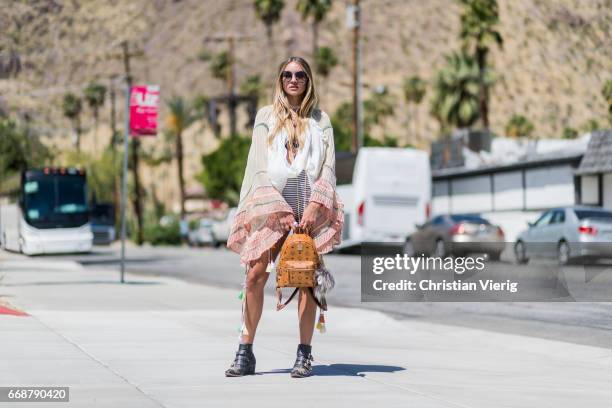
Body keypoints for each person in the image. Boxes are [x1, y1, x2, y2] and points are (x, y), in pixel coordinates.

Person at [225, 56, 344, 378]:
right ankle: (245, 350)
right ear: (280, 80)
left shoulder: (322, 120)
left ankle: (304, 354)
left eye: (300, 75)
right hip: (270, 208)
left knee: (304, 280)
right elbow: (259, 166)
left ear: (309, 80)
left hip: (308, 209)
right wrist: (278, 210)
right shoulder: (266, 116)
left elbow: (328, 167)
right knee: (255, 276)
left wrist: (313, 209)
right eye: (287, 74)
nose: (294, 80)